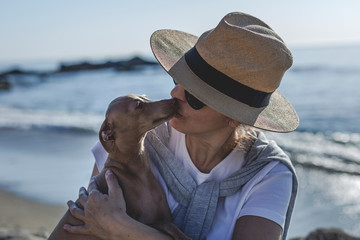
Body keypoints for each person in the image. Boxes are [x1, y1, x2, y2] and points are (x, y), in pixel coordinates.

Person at [63, 12, 299, 240]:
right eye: (178, 80)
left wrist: (123, 230)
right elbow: (86, 226)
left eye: (196, 95)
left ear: (236, 116)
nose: (174, 93)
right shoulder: (134, 135)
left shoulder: (267, 175)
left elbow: (108, 225)